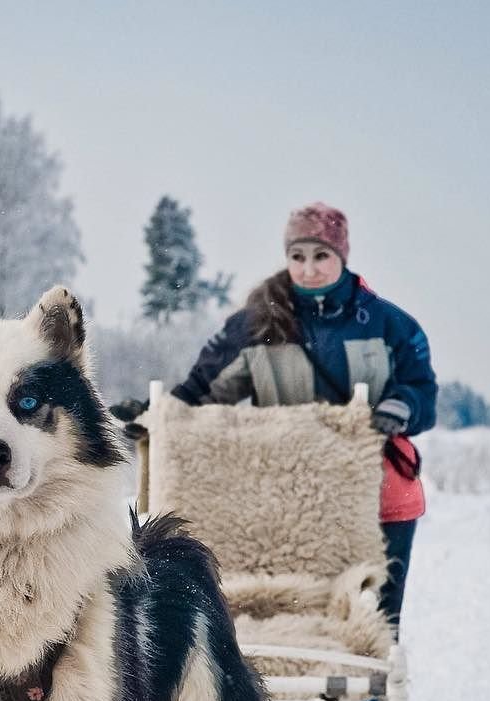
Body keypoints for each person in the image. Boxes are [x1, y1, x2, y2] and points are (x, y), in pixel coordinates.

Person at [171, 202, 437, 637]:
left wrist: (400, 406)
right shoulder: (256, 325)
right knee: (293, 614)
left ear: (342, 256)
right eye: (298, 257)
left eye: (321, 256)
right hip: (291, 500)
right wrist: (154, 415)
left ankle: (372, 699)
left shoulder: (391, 325)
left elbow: (423, 392)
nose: (309, 269)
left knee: (373, 623)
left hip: (378, 496)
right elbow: (199, 391)